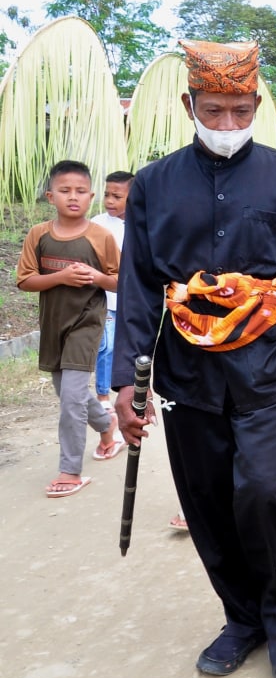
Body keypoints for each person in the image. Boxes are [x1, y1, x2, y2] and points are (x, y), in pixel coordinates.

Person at [113, 40, 276, 678]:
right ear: (190, 104)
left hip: (269, 367)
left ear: (257, 104)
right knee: (207, 499)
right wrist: (127, 377)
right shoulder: (153, 184)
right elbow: (136, 285)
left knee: (266, 492)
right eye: (215, 110)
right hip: (187, 374)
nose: (229, 124)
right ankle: (242, 619)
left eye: (241, 110)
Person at [17, 159, 119, 498]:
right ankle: (107, 428)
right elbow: (25, 280)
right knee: (68, 394)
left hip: (87, 323)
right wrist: (60, 277)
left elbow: (122, 281)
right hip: (52, 324)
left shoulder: (100, 237)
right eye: (64, 191)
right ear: (50, 196)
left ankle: (69, 470)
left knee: (71, 397)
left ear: (90, 196)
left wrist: (98, 278)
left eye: (80, 191)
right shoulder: (39, 235)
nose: (72, 197)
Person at [88, 169, 133, 461]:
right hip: (103, 300)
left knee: (121, 352)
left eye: (117, 196)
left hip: (132, 303)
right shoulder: (97, 225)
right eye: (106, 194)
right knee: (104, 349)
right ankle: (104, 400)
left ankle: (126, 404)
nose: (109, 201)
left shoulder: (143, 225)